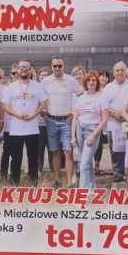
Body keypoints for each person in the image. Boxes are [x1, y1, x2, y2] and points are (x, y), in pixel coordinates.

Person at [0, 59, 49, 187]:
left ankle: (34, 182)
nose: (24, 70)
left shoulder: (37, 86)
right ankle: (14, 182)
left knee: (33, 157)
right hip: (16, 129)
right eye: (22, 68)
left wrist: (34, 113)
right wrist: (17, 114)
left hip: (32, 128)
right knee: (16, 158)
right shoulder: (11, 87)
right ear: (18, 69)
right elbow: (4, 105)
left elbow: (44, 103)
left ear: (30, 70)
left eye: (27, 68)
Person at [41, 55, 83, 188]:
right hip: (51, 120)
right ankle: (57, 181)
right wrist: (42, 112)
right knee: (54, 151)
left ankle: (70, 183)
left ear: (63, 66)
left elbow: (82, 96)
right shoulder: (46, 81)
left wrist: (76, 113)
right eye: (55, 66)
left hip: (66, 121)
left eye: (60, 66)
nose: (57, 68)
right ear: (52, 66)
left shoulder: (70, 80)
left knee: (68, 152)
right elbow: (39, 98)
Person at [71, 72, 109, 190]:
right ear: (85, 82)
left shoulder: (102, 97)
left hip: (93, 131)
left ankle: (82, 193)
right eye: (88, 80)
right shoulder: (81, 98)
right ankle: (92, 189)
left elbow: (105, 119)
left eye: (93, 80)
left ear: (97, 82)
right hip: (80, 130)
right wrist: (73, 136)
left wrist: (93, 135)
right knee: (86, 162)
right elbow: (76, 118)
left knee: (83, 164)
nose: (91, 83)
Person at [103, 61, 128, 184]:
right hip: (112, 122)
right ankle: (118, 173)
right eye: (117, 70)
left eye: (122, 70)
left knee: (127, 147)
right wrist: (115, 113)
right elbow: (104, 104)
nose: (119, 72)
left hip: (127, 121)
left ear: (125, 71)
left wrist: (123, 114)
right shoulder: (108, 87)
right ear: (113, 72)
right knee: (114, 148)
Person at [94, 68, 112, 174]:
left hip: (110, 121)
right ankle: (97, 166)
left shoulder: (110, 89)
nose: (104, 78)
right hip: (98, 121)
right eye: (102, 76)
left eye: (106, 76)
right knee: (98, 144)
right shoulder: (95, 90)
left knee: (111, 144)